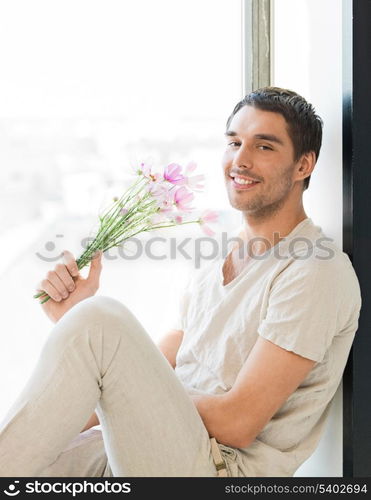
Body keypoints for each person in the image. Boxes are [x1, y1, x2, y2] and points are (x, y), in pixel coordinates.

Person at [0, 87, 361, 478]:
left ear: (303, 165)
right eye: (234, 142)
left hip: (219, 469)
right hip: (157, 446)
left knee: (102, 319)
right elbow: (144, 371)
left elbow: (238, 423)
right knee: (33, 460)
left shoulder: (313, 270)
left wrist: (118, 376)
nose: (240, 160)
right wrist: (75, 326)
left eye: (264, 147)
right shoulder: (212, 265)